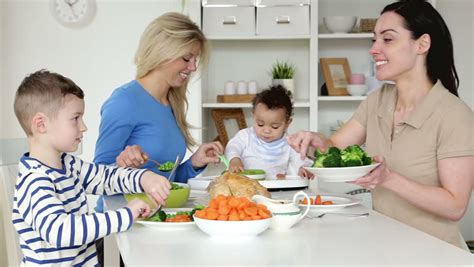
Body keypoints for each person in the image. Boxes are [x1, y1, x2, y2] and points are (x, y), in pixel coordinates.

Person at [288, 0, 473, 249]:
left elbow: (455, 206)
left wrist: (388, 179)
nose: (374, 49)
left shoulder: (454, 115)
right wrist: (315, 141)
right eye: (374, 40)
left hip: (436, 253)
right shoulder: (378, 100)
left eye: (387, 39)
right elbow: (333, 147)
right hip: (385, 246)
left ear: (422, 44)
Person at [93, 12, 223, 264]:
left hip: (156, 226)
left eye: (195, 59)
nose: (193, 67)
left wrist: (193, 163)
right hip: (120, 235)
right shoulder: (124, 101)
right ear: (162, 51)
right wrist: (123, 165)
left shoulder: (171, 102)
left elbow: (166, 179)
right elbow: (98, 177)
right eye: (187, 57)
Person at [11, 70, 171, 265]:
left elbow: (105, 177)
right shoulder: (34, 181)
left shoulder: (69, 165)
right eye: (75, 118)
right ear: (41, 124)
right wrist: (125, 215)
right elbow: (61, 232)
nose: (84, 127)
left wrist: (143, 178)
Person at [225, 85, 314, 180]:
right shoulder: (246, 136)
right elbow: (232, 146)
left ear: (287, 123)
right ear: (254, 116)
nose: (266, 131)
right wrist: (234, 159)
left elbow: (300, 160)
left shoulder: (290, 143)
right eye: (260, 124)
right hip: (247, 187)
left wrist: (300, 170)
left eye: (274, 127)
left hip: (277, 188)